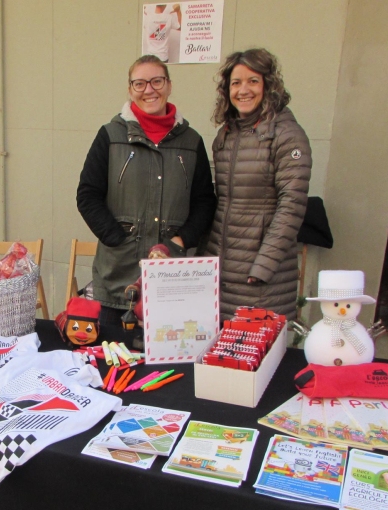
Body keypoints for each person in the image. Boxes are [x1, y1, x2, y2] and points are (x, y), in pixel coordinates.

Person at [77, 55, 216, 328]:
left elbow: (204, 201)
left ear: (169, 85)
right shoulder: (110, 136)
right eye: (139, 83)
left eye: (156, 81)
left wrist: (181, 241)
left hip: (171, 276)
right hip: (119, 276)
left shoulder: (191, 141)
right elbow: (87, 194)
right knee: (113, 360)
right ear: (130, 89)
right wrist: (116, 238)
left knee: (169, 366)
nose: (149, 90)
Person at [201, 48, 311, 321]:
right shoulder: (225, 135)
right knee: (221, 352)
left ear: (269, 85)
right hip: (223, 269)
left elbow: (292, 206)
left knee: (255, 355)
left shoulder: (287, 135)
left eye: (253, 81)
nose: (243, 90)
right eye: (236, 83)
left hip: (261, 275)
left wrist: (263, 266)